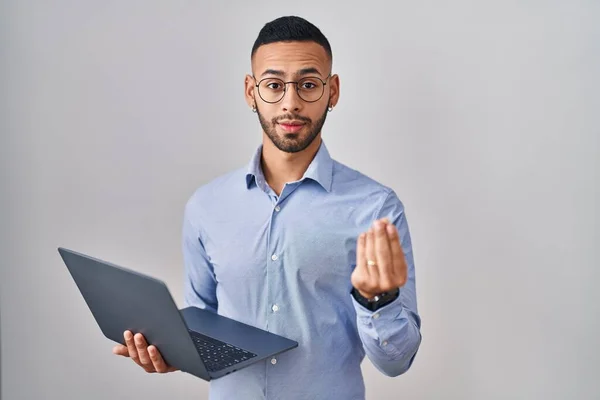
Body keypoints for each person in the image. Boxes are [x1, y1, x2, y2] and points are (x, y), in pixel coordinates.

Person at [112, 15, 422, 400]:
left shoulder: (375, 209)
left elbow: (397, 362)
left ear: (333, 91)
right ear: (250, 91)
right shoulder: (206, 206)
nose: (290, 104)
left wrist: (378, 301)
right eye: (274, 85)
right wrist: (173, 351)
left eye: (308, 85)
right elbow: (203, 323)